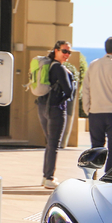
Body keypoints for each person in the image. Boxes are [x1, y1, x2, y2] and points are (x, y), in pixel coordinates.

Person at [82, 36, 112, 173]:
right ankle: (107, 176)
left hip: (95, 113)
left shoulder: (93, 64)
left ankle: (92, 175)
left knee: (96, 148)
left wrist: (87, 109)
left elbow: (86, 89)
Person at [37, 40, 76, 189]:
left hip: (42, 107)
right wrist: (70, 77)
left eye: (69, 52)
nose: (67, 54)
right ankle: (49, 178)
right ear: (56, 50)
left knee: (50, 143)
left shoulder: (49, 66)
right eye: (64, 51)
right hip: (55, 109)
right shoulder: (59, 68)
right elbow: (69, 91)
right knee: (54, 144)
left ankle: (45, 176)